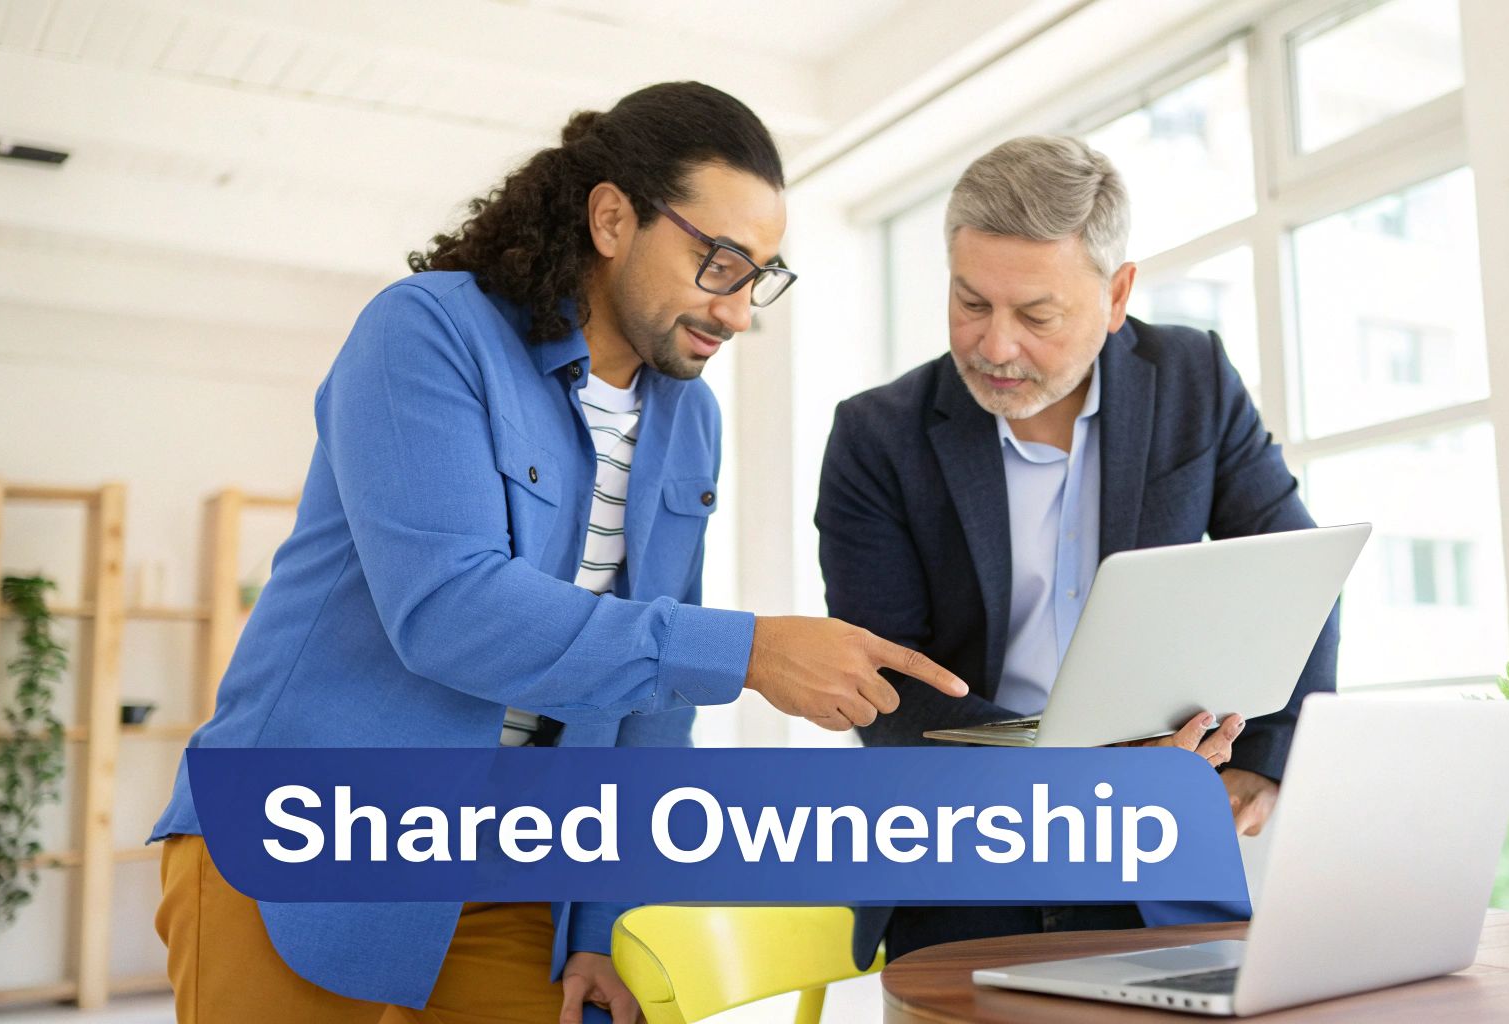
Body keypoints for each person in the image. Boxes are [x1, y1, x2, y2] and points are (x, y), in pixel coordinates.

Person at [149, 81, 967, 1024]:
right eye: (722, 263)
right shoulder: (429, 330)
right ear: (613, 218)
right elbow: (449, 610)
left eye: (761, 276)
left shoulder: (687, 419)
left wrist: (604, 923)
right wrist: (747, 650)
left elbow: (652, 708)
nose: (739, 312)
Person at [815, 135, 1338, 968]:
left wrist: (1268, 759)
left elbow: (1301, 571)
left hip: (1157, 846)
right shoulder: (877, 437)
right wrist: (1088, 771)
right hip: (962, 852)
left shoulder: (1194, 379)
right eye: (970, 302)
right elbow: (885, 686)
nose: (994, 346)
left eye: (1036, 315)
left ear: (1117, 293)